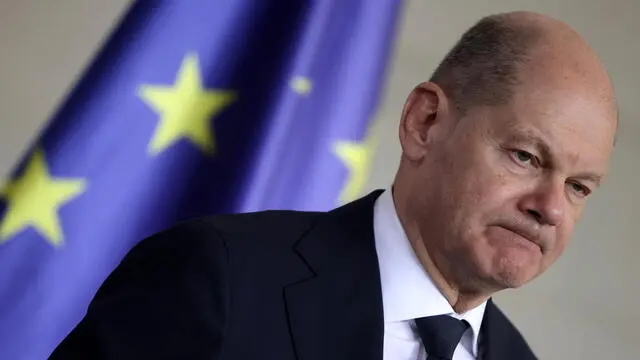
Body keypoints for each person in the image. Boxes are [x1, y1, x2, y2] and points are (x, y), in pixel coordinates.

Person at [49, 10, 618, 360]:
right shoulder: (218, 279)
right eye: (525, 156)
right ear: (425, 124)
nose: (549, 207)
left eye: (579, 187)